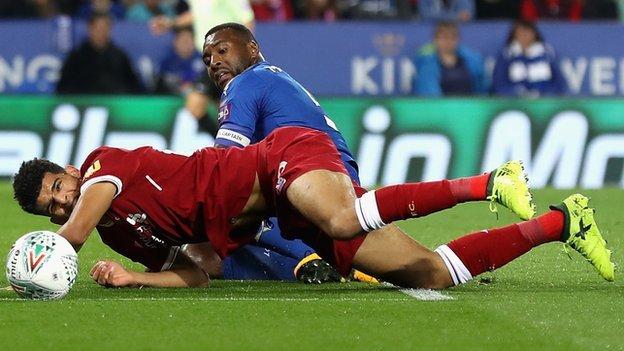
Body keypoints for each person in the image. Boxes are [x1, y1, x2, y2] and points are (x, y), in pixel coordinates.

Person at [12, 128, 614, 289]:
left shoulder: (99, 167)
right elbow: (203, 268)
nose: (62, 202)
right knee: (431, 273)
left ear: (67, 173)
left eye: (57, 189)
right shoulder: (124, 239)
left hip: (281, 160)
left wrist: (43, 259)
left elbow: (80, 221)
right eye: (51, 209)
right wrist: (132, 277)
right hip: (287, 214)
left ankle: (489, 181)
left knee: (345, 218)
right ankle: (562, 222)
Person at [56, 12, 144, 95]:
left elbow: (134, 87)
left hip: (115, 105)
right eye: (98, 29)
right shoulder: (77, 57)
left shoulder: (119, 57)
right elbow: (64, 88)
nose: (101, 33)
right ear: (90, 29)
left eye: (105, 29)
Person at [491, 20, 566, 97]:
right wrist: (516, 93)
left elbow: (560, 83)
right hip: (515, 102)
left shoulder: (548, 54)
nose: (524, 36)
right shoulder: (506, 55)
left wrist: (544, 93)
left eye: (527, 32)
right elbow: (499, 84)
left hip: (545, 101)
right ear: (514, 35)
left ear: (534, 34)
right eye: (520, 33)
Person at [413, 21, 486, 96]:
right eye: (444, 37)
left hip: (470, 105)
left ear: (458, 39)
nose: (448, 41)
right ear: (435, 39)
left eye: (452, 37)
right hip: (439, 106)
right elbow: (429, 94)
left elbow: (481, 88)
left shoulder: (473, 60)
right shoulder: (426, 64)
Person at [154, 25, 205, 95]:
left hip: (198, 96)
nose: (186, 44)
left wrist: (192, 85)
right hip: (170, 97)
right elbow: (160, 83)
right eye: (183, 41)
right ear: (175, 42)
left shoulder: (204, 59)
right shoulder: (166, 61)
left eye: (189, 40)